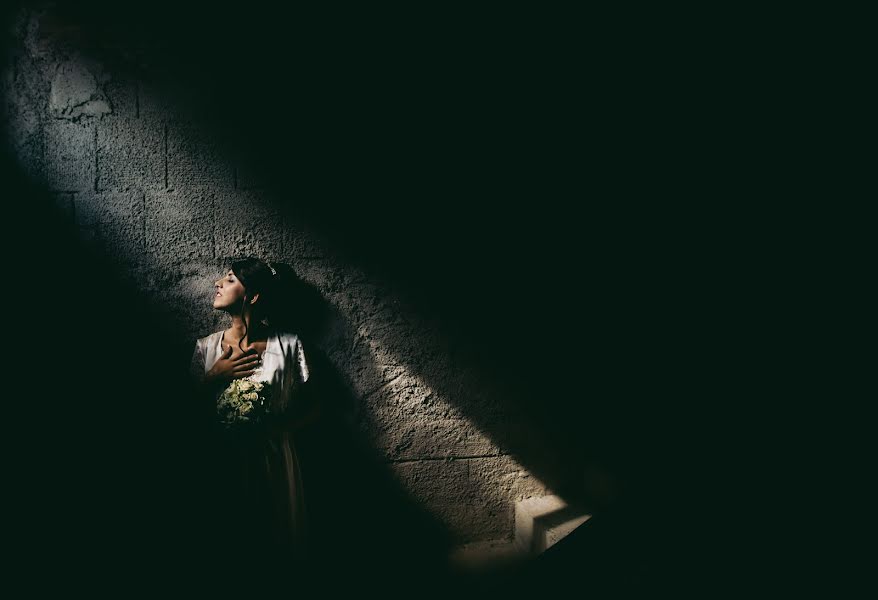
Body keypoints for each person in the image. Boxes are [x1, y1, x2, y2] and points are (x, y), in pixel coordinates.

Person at [188, 257, 317, 559]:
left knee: (276, 542)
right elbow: (182, 412)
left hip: (275, 460)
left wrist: (278, 429)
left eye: (230, 279)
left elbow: (315, 406)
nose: (217, 283)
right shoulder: (205, 348)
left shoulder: (288, 346)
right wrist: (214, 376)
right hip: (222, 459)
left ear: (253, 296)